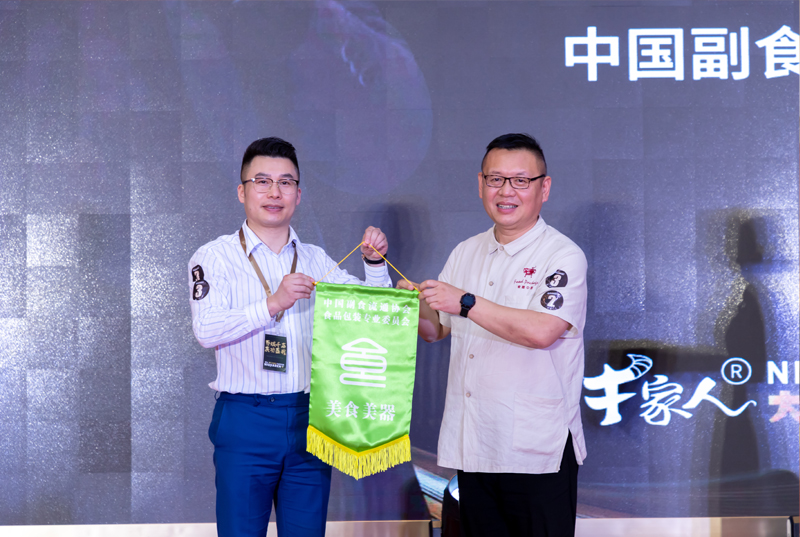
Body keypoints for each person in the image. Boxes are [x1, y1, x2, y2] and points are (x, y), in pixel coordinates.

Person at [189, 137, 391, 537]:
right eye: (262, 181)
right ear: (242, 191)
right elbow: (206, 330)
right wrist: (273, 303)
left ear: (298, 194)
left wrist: (374, 263)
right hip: (245, 419)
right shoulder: (214, 257)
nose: (274, 193)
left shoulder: (315, 257)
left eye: (285, 182)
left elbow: (373, 314)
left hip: (308, 419)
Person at [399, 133, 587, 537]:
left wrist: (465, 301)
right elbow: (435, 330)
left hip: (537, 448)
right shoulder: (466, 251)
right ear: (480, 184)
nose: (506, 191)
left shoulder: (562, 254)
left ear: (544, 188)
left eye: (520, 181)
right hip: (476, 440)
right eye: (495, 179)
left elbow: (543, 331)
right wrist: (415, 303)